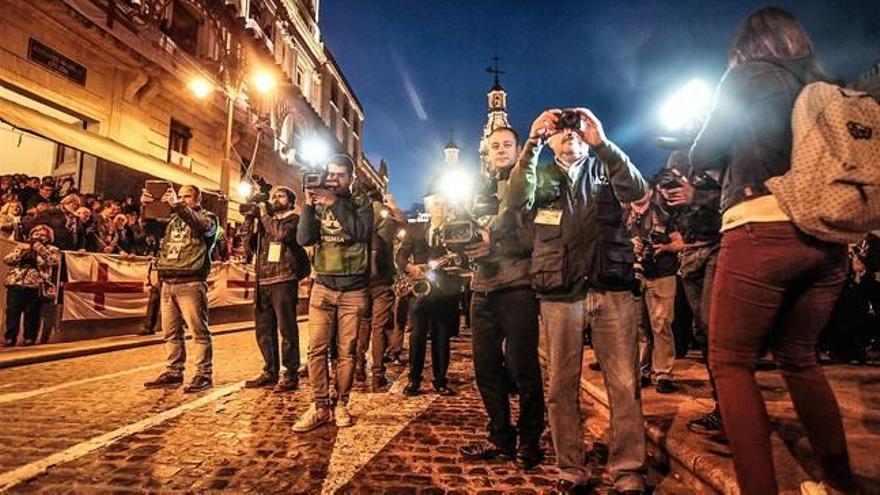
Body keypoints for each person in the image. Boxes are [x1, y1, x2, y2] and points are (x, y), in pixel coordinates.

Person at [689, 7, 857, 493]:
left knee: (731, 363)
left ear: (748, 46)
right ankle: (838, 481)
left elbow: (704, 151)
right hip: (826, 242)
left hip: (762, 226)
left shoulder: (747, 76)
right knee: (800, 358)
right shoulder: (824, 86)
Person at [506, 108, 649, 494]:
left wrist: (601, 141)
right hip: (560, 291)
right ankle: (571, 467)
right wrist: (532, 142)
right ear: (551, 140)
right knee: (561, 385)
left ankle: (628, 469)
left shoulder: (606, 166)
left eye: (575, 129)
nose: (569, 134)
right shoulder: (540, 172)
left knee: (623, 384)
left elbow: (637, 191)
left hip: (610, 287)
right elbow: (515, 198)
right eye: (561, 130)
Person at [458, 127, 545, 470]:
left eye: (508, 145)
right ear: (486, 151)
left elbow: (534, 234)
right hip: (482, 288)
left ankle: (529, 440)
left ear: (519, 148)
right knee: (486, 368)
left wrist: (493, 241)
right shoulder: (479, 188)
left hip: (517, 286)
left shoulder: (531, 183)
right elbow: (465, 228)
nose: (501, 150)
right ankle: (500, 436)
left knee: (523, 367)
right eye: (495, 146)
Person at [292, 154, 372, 432]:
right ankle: (320, 406)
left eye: (340, 175)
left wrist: (332, 202)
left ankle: (341, 404)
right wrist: (307, 205)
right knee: (316, 350)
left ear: (351, 178)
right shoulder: (319, 203)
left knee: (347, 352)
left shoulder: (362, 203)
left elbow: (360, 232)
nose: (333, 179)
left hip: (353, 290)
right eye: (331, 174)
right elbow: (304, 238)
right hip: (323, 286)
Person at [141, 184, 218, 393]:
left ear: (197, 198)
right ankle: (174, 371)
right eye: (180, 196)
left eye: (187, 196)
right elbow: (149, 229)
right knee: (171, 332)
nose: (183, 199)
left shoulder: (209, 217)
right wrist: (146, 208)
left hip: (191, 281)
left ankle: (204, 373)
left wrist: (176, 205)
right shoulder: (172, 218)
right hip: (168, 280)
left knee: (198, 331)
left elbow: (201, 225)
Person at [244, 186, 309, 392]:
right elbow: (249, 247)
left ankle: (290, 374)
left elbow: (281, 234)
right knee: (264, 330)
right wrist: (250, 221)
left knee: (286, 329)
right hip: (262, 280)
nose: (274, 199)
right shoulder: (264, 222)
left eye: (280, 196)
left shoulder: (294, 219)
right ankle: (269, 371)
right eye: (273, 196)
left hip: (284, 279)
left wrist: (264, 215)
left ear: (291, 201)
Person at [398, 194, 461, 398]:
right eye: (435, 205)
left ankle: (440, 381)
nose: (439, 208)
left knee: (441, 338)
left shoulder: (455, 231)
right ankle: (414, 380)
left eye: (442, 204)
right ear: (429, 208)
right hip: (421, 290)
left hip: (445, 292)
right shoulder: (415, 230)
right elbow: (400, 256)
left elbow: (463, 258)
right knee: (417, 338)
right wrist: (410, 267)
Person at [627, 183, 683, 394]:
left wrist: (664, 247)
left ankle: (663, 374)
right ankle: (642, 371)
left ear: (650, 192)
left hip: (662, 275)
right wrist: (629, 244)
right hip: (633, 276)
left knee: (661, 325)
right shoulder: (622, 216)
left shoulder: (665, 216)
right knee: (638, 326)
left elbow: (680, 243)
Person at [356, 192, 405, 390]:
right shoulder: (389, 221)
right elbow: (405, 224)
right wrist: (394, 206)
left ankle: (359, 367)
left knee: (362, 325)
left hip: (361, 281)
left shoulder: (360, 219)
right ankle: (377, 374)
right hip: (383, 282)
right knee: (379, 328)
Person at [3, 225, 60, 346]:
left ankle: (29, 338)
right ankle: (10, 338)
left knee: (32, 312)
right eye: (36, 234)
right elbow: (7, 260)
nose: (39, 237)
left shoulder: (52, 249)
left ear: (48, 237)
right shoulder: (22, 246)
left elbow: (54, 262)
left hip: (35, 284)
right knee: (12, 312)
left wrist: (40, 250)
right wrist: (20, 255)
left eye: (43, 235)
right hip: (16, 282)